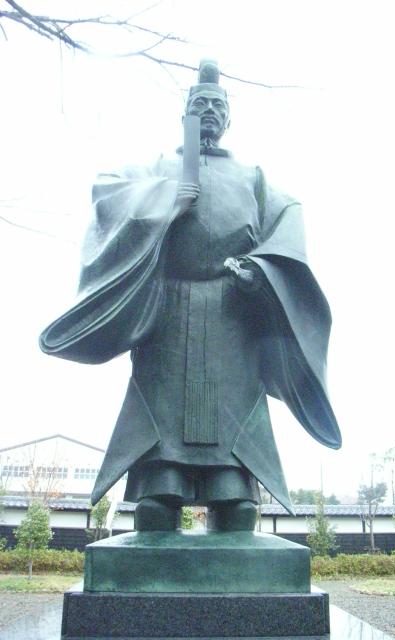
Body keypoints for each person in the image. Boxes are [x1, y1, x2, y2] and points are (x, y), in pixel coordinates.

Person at [40, 60, 341, 532]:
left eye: (218, 105)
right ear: (184, 113)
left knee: (234, 406)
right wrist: (166, 199)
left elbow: (288, 227)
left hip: (232, 312)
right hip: (168, 308)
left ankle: (232, 489)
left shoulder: (255, 180)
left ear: (229, 118)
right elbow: (107, 191)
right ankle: (161, 485)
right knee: (163, 402)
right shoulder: (156, 168)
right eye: (200, 103)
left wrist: (260, 272)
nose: (209, 110)